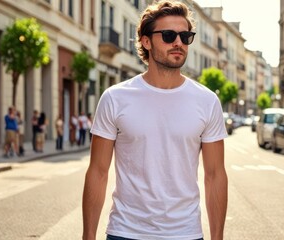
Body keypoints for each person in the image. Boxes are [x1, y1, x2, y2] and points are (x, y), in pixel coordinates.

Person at [82, 1, 228, 240]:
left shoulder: (207, 101)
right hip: (126, 232)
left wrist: (218, 238)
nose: (178, 42)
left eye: (185, 36)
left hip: (186, 233)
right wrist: (88, 236)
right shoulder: (115, 98)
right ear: (146, 41)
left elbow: (215, 175)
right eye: (169, 35)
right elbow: (98, 172)